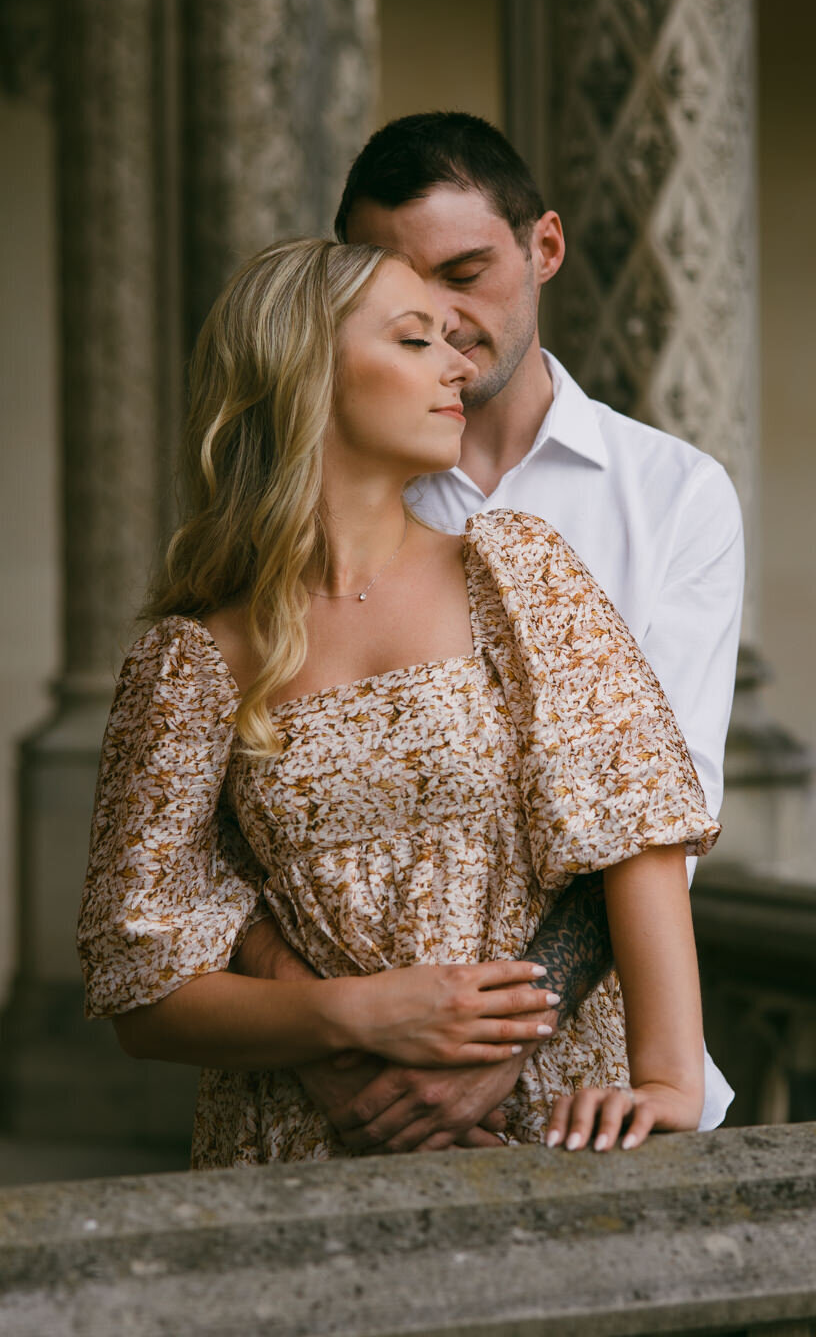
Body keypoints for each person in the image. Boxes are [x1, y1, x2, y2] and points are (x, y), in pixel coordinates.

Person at [77, 237, 718, 1167]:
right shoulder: (190, 660)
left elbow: (638, 832)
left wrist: (667, 1080)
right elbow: (141, 985)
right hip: (305, 1144)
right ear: (304, 372)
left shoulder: (517, 572)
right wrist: (362, 1017)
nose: (461, 364)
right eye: (416, 341)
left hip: (544, 1121)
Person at [234, 113, 745, 1156]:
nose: (441, 315)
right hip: (333, 1090)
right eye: (400, 290)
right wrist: (346, 1050)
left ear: (542, 248)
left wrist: (498, 1042)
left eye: (466, 270)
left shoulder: (672, 495)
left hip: (585, 1090)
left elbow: (656, 814)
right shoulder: (332, 500)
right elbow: (212, 851)